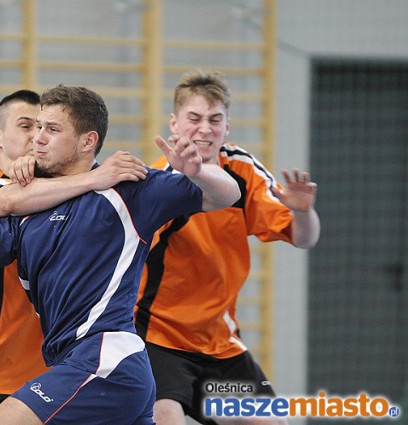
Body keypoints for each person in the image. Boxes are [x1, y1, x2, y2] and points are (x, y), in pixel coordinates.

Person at [0, 84, 240, 424]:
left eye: (51, 129)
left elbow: (228, 194)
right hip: (77, 365)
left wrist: (200, 173)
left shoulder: (129, 191)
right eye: (35, 128)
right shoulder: (28, 210)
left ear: (87, 141)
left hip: (105, 360)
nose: (37, 139)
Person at [0, 89, 151, 424]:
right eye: (26, 126)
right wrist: (94, 176)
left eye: (46, 128)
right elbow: (9, 203)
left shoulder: (75, 194)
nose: (36, 137)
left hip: (45, 371)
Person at [134, 69, 321, 425]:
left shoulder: (243, 170)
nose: (204, 129)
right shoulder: (159, 183)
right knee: (164, 417)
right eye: (194, 118)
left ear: (227, 127)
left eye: (214, 120)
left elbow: (305, 238)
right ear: (174, 124)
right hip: (158, 338)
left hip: (219, 342)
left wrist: (303, 212)